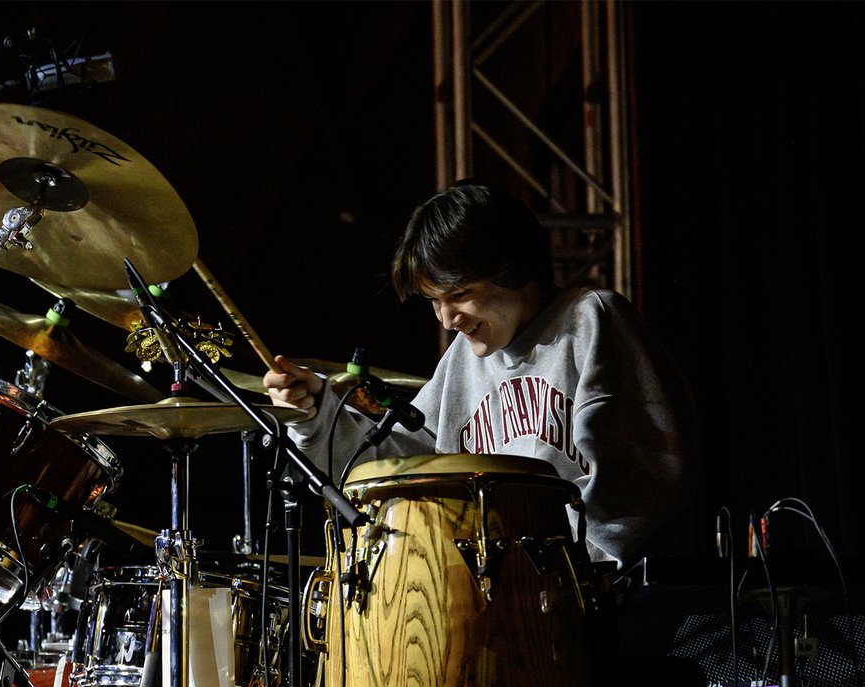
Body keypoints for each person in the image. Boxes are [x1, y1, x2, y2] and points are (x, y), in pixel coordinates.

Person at [263, 181, 698, 571]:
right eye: (434, 301)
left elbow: (638, 485)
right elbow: (399, 472)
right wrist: (316, 412)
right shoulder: (460, 363)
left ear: (511, 269)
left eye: (459, 295)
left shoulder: (589, 321)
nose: (447, 318)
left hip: (601, 613)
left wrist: (547, 571)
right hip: (505, 603)